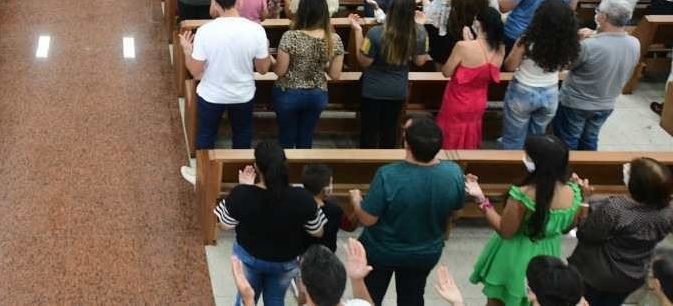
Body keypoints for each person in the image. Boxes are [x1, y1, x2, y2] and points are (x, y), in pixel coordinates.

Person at [350, 114, 465, 306]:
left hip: (382, 251)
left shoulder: (388, 175)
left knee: (370, 297)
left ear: (407, 145)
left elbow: (368, 219)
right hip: (425, 252)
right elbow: (456, 213)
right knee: (412, 296)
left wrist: (356, 202)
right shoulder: (453, 173)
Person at [467, 134, 583, 306]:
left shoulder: (522, 195)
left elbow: (505, 231)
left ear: (538, 162)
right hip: (548, 255)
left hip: (514, 255)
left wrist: (481, 200)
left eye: (528, 155)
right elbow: (567, 228)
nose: (525, 157)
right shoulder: (574, 192)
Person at [178, 0, 272, 182]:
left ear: (216, 4)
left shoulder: (206, 31)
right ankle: (240, 175)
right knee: (242, 135)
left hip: (212, 94)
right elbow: (263, 70)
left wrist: (187, 51)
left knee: (206, 134)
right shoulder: (256, 30)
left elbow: (195, 71)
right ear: (237, 1)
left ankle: (201, 175)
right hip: (243, 94)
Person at [214, 141, 326, 305]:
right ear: (284, 166)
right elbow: (318, 231)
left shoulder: (242, 194)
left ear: (256, 167)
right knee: (275, 299)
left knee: (246, 297)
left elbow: (224, 224)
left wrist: (245, 187)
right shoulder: (303, 197)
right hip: (285, 261)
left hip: (249, 257)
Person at [569, 157, 673, 305]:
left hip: (595, 275)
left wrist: (584, 201)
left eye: (630, 171)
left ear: (636, 186)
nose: (625, 168)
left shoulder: (616, 208)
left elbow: (586, 233)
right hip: (632, 276)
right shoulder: (668, 210)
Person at [550, 0, 639, 151]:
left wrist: (577, 41)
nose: (596, 13)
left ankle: (567, 172)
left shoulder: (589, 46)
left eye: (598, 11)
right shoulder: (634, 43)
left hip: (576, 103)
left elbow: (565, 64)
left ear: (603, 17)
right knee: (590, 139)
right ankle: (587, 170)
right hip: (606, 103)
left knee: (567, 141)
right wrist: (595, 34)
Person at [351, 0, 429, 148]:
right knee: (390, 131)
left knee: (369, 131)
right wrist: (421, 28)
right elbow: (420, 61)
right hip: (397, 90)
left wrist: (358, 31)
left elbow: (364, 62)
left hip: (372, 89)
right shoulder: (419, 32)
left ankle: (364, 167)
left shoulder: (375, 33)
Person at [499, 0, 582, 148]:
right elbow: (566, 66)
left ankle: (511, 168)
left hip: (523, 90)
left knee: (513, 139)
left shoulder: (527, 40)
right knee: (537, 139)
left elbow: (510, 66)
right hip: (550, 92)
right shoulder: (569, 43)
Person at [271, 0, 342, 149]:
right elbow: (335, 75)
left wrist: (270, 59)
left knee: (286, 137)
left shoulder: (290, 36)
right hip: (317, 94)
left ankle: (284, 170)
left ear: (301, 11)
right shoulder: (334, 39)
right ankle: (303, 169)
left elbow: (280, 71)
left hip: (289, 92)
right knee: (306, 136)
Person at [434, 5, 505, 149]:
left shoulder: (463, 46)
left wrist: (466, 42)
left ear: (478, 23)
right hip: (478, 102)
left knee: (450, 135)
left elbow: (446, 71)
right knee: (469, 135)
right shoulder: (500, 48)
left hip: (457, 100)